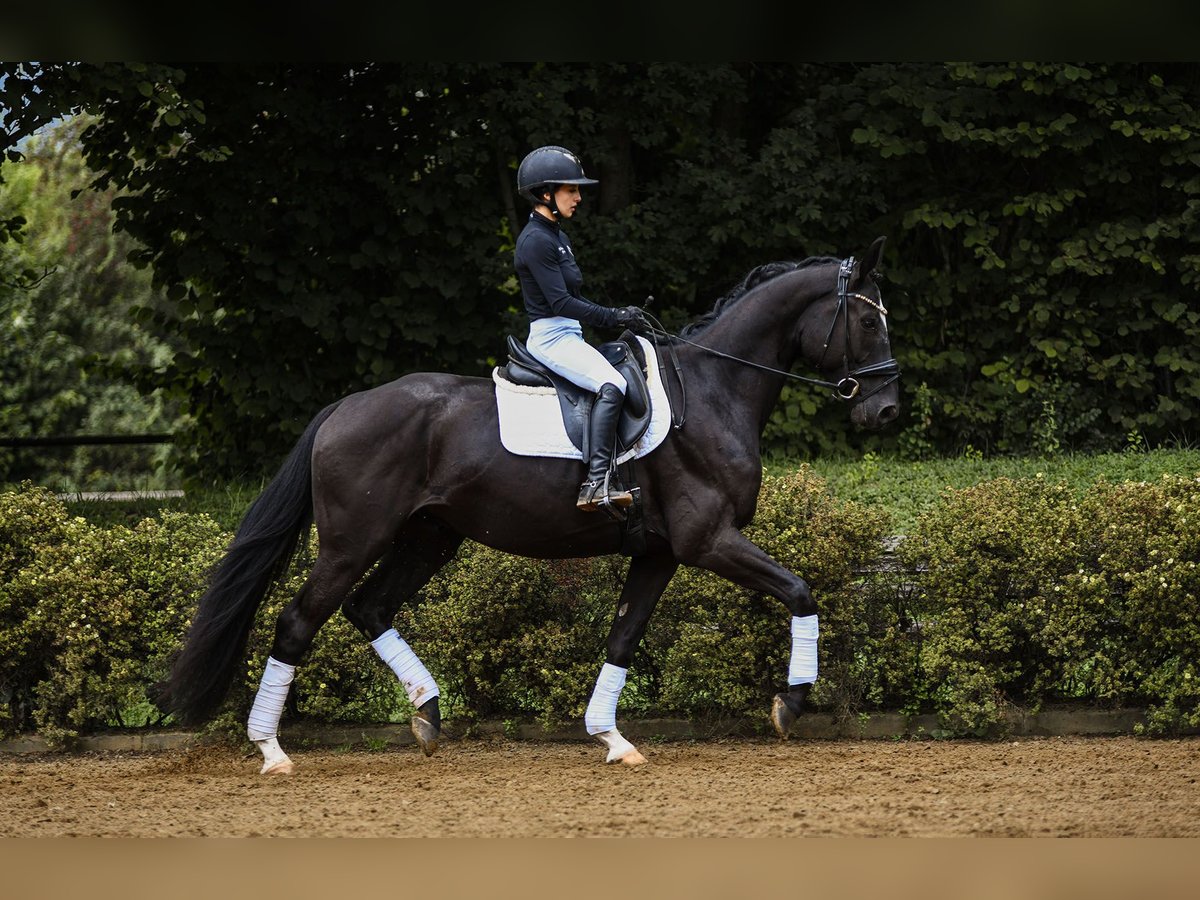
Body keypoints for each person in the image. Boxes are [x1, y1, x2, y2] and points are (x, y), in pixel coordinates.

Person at [513, 145, 648, 512]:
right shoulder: (535, 240)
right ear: (546, 194)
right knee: (612, 384)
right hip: (551, 336)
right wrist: (614, 315)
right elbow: (560, 304)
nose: (578, 196)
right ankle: (596, 482)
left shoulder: (557, 235)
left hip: (569, 333)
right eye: (570, 190)